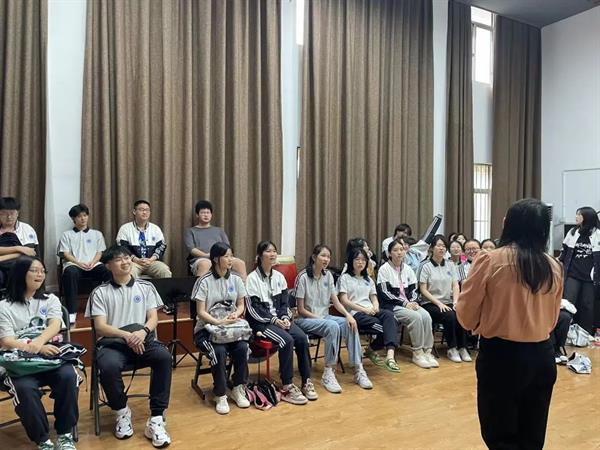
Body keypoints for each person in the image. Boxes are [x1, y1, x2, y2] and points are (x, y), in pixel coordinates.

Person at [456, 198, 563, 450]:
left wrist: (485, 322)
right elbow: (553, 320)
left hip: (501, 356)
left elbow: (466, 315)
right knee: (532, 435)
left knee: (500, 434)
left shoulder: (489, 260)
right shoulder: (554, 266)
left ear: (508, 224)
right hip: (542, 355)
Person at [84, 245, 172, 447]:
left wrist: (143, 332)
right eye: (118, 259)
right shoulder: (100, 292)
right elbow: (100, 327)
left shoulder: (146, 287)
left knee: (164, 357)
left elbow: (153, 318)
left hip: (143, 340)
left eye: (126, 258)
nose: (125, 262)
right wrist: (127, 336)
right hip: (113, 344)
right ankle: (122, 412)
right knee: (107, 366)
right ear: (108, 266)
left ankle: (156, 418)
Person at [0, 256, 79, 450]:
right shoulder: (3, 306)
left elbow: (55, 325)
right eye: (34, 270)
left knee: (69, 376)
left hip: (49, 359)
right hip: (19, 365)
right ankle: (43, 440)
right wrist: (35, 347)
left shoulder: (50, 299)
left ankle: (65, 434)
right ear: (20, 273)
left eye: (42, 271)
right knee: (24, 389)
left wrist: (39, 343)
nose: (40, 274)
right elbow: (6, 341)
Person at [245, 240, 316, 404]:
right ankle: (287, 386)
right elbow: (253, 310)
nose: (272, 254)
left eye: (274, 251)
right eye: (268, 251)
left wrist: (285, 317)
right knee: (287, 340)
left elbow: (285, 304)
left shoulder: (279, 277)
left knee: (302, 338)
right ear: (259, 256)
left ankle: (306, 381)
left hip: (279, 320)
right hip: (261, 323)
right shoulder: (252, 279)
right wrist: (274, 320)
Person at [294, 244, 373, 392]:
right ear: (314, 257)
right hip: (305, 319)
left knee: (350, 324)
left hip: (325, 317)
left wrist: (348, 315)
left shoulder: (328, 276)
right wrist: (321, 319)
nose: (326, 259)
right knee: (332, 326)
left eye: (328, 257)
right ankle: (328, 372)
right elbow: (301, 309)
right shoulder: (303, 277)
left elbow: (336, 302)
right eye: (323, 256)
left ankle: (358, 370)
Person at [192, 242, 250, 414]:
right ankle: (220, 393)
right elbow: (200, 312)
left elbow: (241, 305)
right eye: (226, 256)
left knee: (242, 347)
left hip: (231, 329)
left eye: (231, 255)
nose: (231, 259)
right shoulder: (204, 281)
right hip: (206, 330)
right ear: (216, 259)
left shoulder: (236, 279)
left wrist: (235, 314)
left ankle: (238, 387)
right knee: (219, 351)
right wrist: (217, 323)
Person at [377, 239, 437, 369]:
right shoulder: (384, 269)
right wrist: (405, 303)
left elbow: (414, 289)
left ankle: (427, 351)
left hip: (409, 304)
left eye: (401, 249)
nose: (399, 252)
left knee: (426, 316)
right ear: (389, 253)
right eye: (395, 250)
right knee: (415, 317)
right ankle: (417, 353)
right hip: (392, 306)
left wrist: (413, 302)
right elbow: (384, 293)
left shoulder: (408, 269)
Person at [338, 248, 401, 373]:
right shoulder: (345, 278)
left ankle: (390, 357)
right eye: (357, 259)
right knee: (389, 328)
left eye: (363, 260)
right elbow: (344, 300)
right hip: (355, 314)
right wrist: (364, 310)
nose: (360, 262)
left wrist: (376, 307)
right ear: (351, 261)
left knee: (389, 315)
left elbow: (374, 297)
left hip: (371, 310)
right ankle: (372, 350)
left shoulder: (368, 280)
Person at [417, 235, 470, 363]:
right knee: (450, 315)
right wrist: (439, 303)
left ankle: (463, 347)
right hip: (429, 303)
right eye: (439, 245)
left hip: (448, 301)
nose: (441, 248)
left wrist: (456, 302)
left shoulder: (450, 265)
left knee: (461, 312)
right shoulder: (425, 265)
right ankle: (452, 348)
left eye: (444, 246)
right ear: (432, 248)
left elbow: (455, 285)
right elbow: (423, 290)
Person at [58, 204, 111, 324]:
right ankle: (71, 312)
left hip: (93, 264)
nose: (83, 218)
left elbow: (100, 252)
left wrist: (93, 262)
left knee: (108, 271)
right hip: (75, 264)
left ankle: (108, 306)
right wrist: (79, 263)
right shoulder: (67, 235)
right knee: (70, 273)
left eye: (85, 215)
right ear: (73, 219)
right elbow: (66, 253)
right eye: (79, 216)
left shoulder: (97, 234)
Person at [559, 206, 600, 334]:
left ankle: (586, 333)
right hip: (573, 274)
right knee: (568, 302)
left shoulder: (598, 235)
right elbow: (564, 252)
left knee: (588, 305)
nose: (576, 217)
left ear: (587, 217)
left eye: (579, 214)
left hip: (590, 277)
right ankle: (566, 331)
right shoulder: (572, 232)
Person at [184, 200, 247, 280]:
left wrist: (221, 256)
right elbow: (192, 249)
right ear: (197, 215)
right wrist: (207, 255)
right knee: (205, 264)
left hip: (222, 257)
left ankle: (243, 287)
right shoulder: (190, 231)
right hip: (201, 259)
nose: (206, 215)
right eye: (203, 213)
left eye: (208, 213)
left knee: (240, 263)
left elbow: (227, 247)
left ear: (211, 215)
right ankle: (200, 287)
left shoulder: (219, 230)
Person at [116, 200, 171, 279]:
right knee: (129, 273)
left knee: (165, 271)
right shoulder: (125, 228)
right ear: (134, 212)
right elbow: (122, 248)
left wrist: (151, 259)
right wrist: (136, 260)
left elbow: (162, 246)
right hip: (133, 262)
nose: (145, 212)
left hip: (151, 262)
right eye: (141, 210)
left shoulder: (155, 228)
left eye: (147, 210)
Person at [0, 197, 39, 288]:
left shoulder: (26, 229)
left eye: (12, 213)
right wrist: (19, 248)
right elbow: (24, 251)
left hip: (21, 264)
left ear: (17, 213)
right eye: (4, 213)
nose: (9, 217)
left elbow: (30, 252)